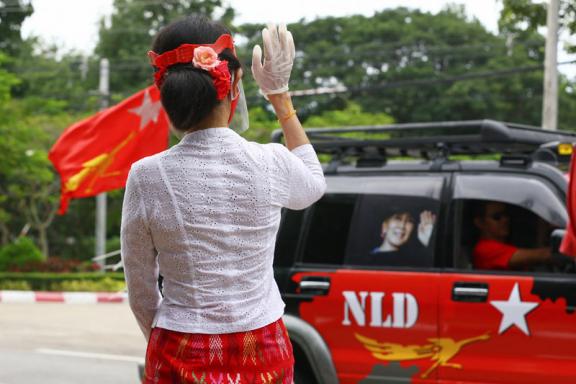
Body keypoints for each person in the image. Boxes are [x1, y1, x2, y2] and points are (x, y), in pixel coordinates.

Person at [120, 16, 326, 383]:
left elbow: (141, 290)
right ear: (233, 85)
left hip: (179, 347)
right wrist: (280, 97)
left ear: (167, 93)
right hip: (264, 347)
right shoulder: (270, 161)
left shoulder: (146, 175)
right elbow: (313, 183)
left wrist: (165, 340)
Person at [472, 201, 551, 270]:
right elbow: (542, 255)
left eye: (506, 215)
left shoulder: (505, 246)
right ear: (480, 222)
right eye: (497, 217)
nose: (505, 220)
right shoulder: (484, 249)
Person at [371, 209, 436, 253]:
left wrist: (428, 241)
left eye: (409, 221)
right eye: (397, 218)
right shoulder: (366, 261)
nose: (402, 226)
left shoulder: (415, 262)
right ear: (384, 226)